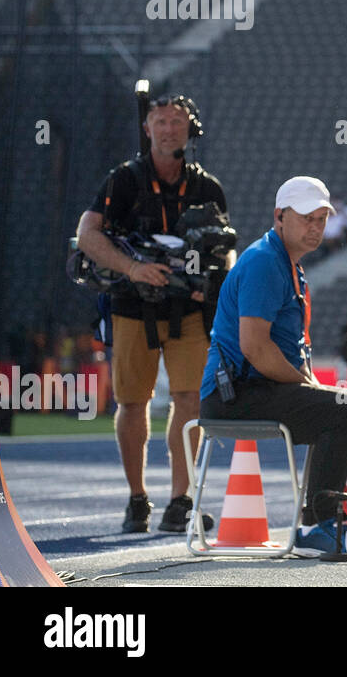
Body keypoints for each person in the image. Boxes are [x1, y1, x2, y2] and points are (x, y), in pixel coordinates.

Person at [199, 177, 347, 556]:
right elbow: (254, 348)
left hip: (262, 388)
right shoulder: (263, 261)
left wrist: (312, 386)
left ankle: (339, 513)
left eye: (321, 219)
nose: (316, 227)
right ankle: (320, 523)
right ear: (279, 216)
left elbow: (290, 353)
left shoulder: (290, 266)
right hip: (234, 394)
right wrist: (310, 387)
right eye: (307, 218)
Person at [75, 93, 231, 534]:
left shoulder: (208, 188)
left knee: (190, 400)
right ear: (147, 129)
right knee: (132, 402)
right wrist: (134, 268)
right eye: (160, 121)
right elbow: (86, 234)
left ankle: (180, 500)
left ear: (190, 129)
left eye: (177, 122)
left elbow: (226, 248)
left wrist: (213, 287)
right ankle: (137, 498)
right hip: (131, 306)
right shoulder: (124, 180)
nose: (168, 129)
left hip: (190, 310)